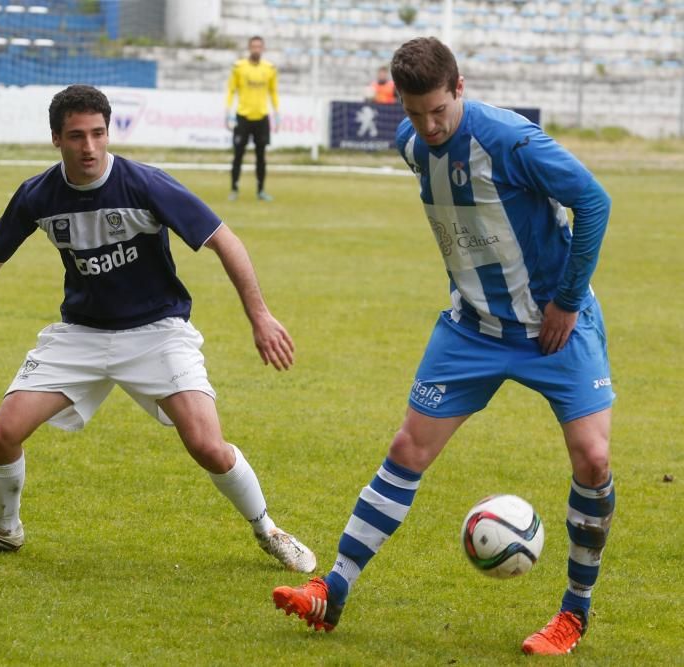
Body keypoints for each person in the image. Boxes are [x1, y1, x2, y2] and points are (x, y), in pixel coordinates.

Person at [272, 37, 615, 657]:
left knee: (592, 460)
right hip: (471, 329)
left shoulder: (511, 141)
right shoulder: (411, 145)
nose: (428, 127)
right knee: (407, 446)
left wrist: (566, 300)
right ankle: (333, 590)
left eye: (438, 111)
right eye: (413, 113)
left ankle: (573, 614)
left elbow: (593, 201)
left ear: (460, 88)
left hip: (554, 326)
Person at [0, 85, 315, 572]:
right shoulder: (38, 195)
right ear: (55, 139)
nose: (90, 147)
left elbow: (224, 240)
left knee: (208, 445)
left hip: (157, 332)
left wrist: (260, 315)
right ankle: (4, 529)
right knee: (0, 435)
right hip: (80, 334)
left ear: (109, 132)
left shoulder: (146, 184)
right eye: (77, 136)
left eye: (99, 134)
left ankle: (267, 528)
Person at [224, 36, 279, 202]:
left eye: (259, 47)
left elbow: (273, 92)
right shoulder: (239, 68)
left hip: (261, 117)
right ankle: (234, 188)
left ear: (262, 48)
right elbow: (231, 90)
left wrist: (277, 113)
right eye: (253, 46)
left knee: (261, 156)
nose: (256, 49)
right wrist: (228, 111)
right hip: (243, 117)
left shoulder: (269, 68)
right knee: (238, 154)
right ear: (249, 48)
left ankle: (261, 190)